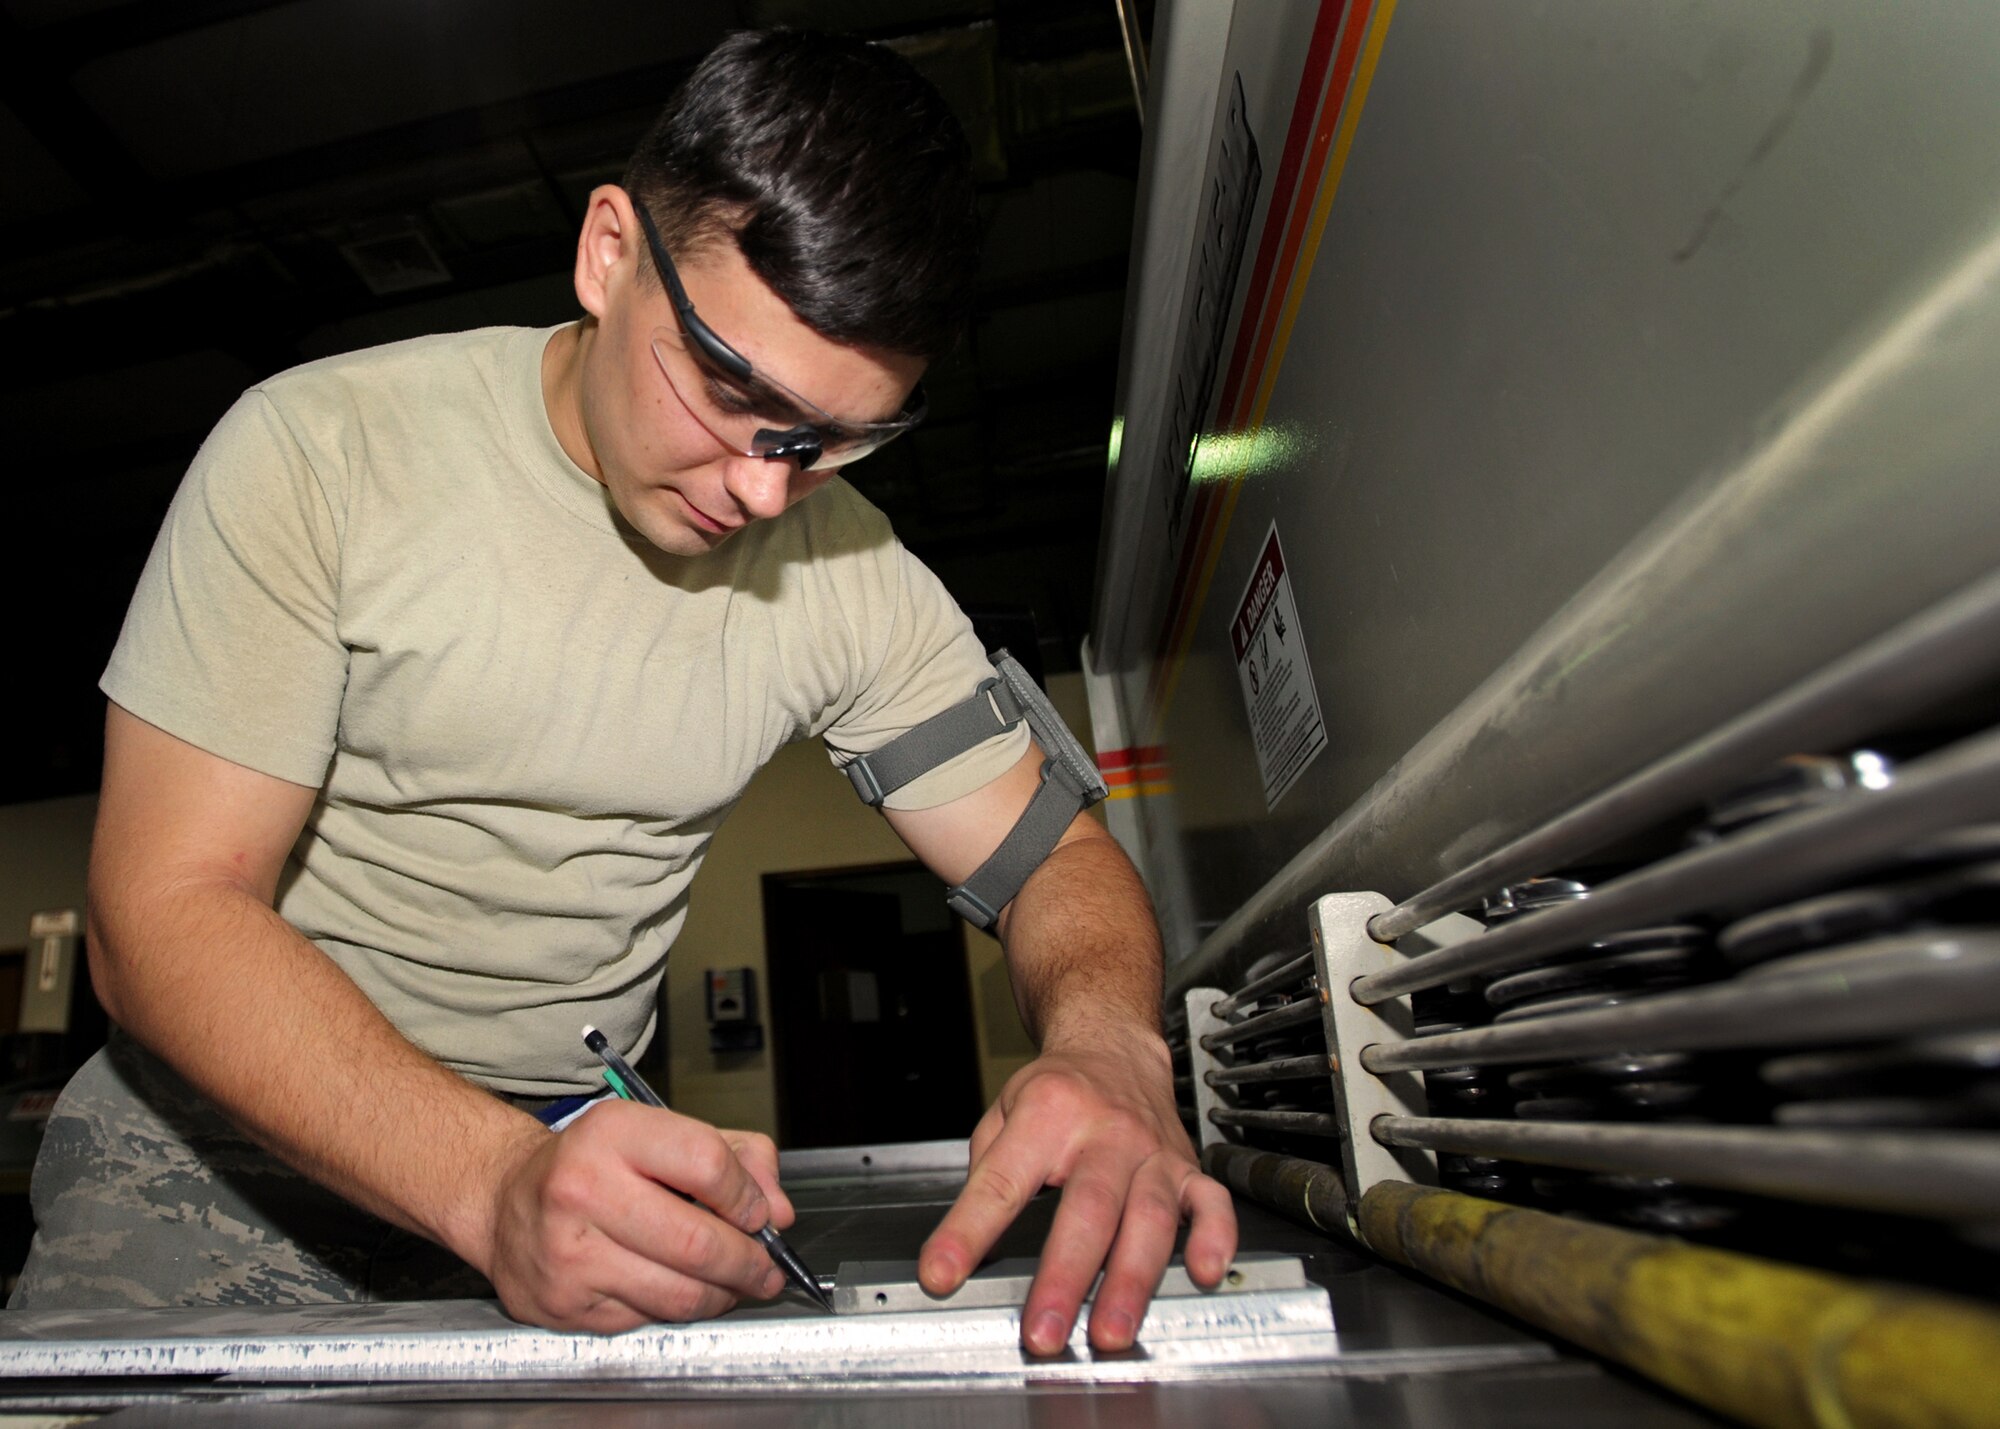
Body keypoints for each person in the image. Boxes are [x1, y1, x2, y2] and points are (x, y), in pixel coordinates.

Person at [9, 29, 1235, 1353]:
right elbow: (161, 912)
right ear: (607, 253)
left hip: (567, 1172)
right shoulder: (324, 456)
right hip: (212, 1159)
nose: (766, 489)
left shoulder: (848, 575)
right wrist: (486, 1184)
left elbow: (1054, 856)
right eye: (728, 392)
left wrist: (1111, 1042)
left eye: (833, 437)